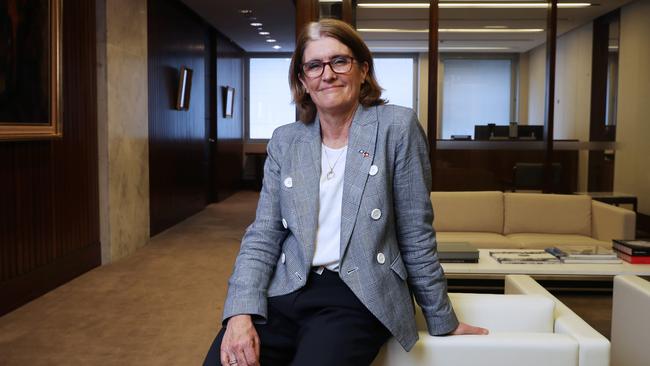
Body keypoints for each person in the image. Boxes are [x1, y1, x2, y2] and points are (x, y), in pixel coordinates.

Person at [204, 18, 487, 366]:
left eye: (340, 61)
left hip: (358, 293)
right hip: (287, 288)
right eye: (314, 65)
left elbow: (416, 232)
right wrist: (239, 313)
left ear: (363, 70)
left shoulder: (397, 127)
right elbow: (264, 234)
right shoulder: (286, 140)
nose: (328, 74)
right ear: (303, 81)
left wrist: (442, 319)